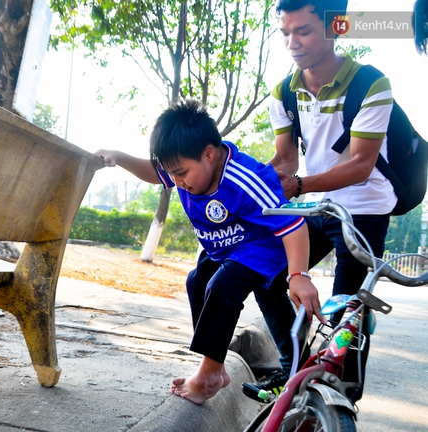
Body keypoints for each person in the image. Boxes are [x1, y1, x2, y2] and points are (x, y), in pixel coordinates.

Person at [96, 99, 324, 405]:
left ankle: (209, 375)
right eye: (172, 174)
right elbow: (155, 172)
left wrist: (298, 276)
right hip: (228, 246)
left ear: (208, 153)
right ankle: (214, 363)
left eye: (181, 173)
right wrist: (119, 157)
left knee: (222, 288)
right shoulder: (186, 168)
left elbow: (294, 224)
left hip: (262, 244)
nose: (177, 182)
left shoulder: (244, 178)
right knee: (198, 282)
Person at [243, 0, 395, 403]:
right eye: (285, 33)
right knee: (267, 270)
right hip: (319, 203)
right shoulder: (283, 91)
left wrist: (299, 184)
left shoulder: (371, 84)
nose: (292, 43)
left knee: (349, 311)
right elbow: (286, 160)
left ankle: (341, 396)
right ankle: (291, 367)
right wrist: (245, 180)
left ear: (337, 27)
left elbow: (361, 165)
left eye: (304, 31)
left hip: (364, 208)